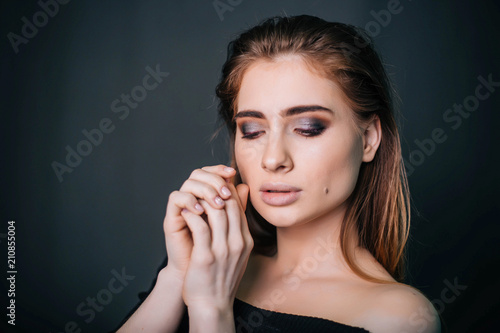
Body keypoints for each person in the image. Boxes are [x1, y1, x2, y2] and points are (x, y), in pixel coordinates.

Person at [116, 15, 441, 333]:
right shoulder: (207, 261)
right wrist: (176, 274)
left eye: (307, 128)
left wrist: (211, 310)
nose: (273, 159)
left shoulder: (398, 318)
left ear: (369, 138)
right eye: (253, 130)